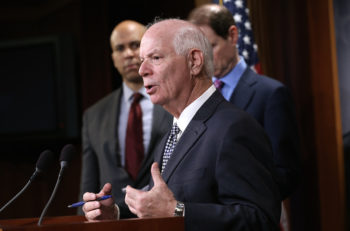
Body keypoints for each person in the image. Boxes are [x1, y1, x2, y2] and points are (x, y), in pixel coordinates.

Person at [82, 18, 281, 230]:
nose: (142, 70)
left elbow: (260, 219)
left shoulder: (234, 128)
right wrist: (115, 212)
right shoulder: (175, 130)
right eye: (142, 60)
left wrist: (177, 211)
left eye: (155, 58)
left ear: (194, 61)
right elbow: (158, 202)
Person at [188, 4, 300, 199]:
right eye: (197, 52)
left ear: (232, 35)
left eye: (211, 46)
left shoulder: (271, 94)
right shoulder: (193, 98)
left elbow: (285, 173)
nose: (203, 59)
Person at [79, 20, 172, 215]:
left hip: (165, 220)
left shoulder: (174, 102)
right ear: (113, 58)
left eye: (135, 45)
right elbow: (88, 187)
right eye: (120, 48)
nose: (128, 54)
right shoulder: (93, 115)